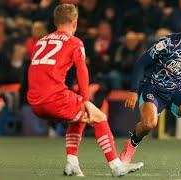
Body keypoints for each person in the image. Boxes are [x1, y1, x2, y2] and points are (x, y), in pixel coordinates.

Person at [27, 4, 143, 177]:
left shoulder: (40, 42)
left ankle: (72, 162)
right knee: (99, 117)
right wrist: (86, 100)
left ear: (55, 21)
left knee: (79, 118)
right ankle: (117, 166)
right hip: (54, 99)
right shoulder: (75, 42)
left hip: (34, 103)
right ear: (74, 22)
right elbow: (82, 71)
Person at [120, 14, 181, 171]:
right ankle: (130, 146)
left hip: (176, 91)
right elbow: (140, 64)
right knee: (149, 124)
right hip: (153, 88)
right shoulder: (167, 43)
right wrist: (133, 91)